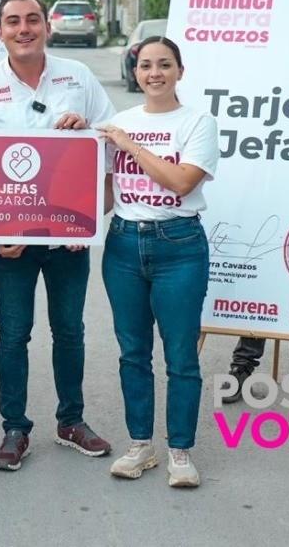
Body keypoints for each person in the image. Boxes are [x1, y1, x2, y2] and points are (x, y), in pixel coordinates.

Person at [0, 0, 115, 471]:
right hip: (13, 242)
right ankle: (14, 429)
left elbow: (113, 142)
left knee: (70, 331)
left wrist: (87, 129)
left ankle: (71, 421)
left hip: (68, 234)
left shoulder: (79, 77)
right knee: (14, 334)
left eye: (32, 19)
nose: (23, 29)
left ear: (46, 26)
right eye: (13, 21)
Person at [97, 36, 218, 488]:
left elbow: (182, 182)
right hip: (124, 244)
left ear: (180, 72)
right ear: (135, 72)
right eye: (145, 65)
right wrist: (68, 223)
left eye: (164, 65)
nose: (154, 73)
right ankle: (140, 445)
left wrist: (129, 144)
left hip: (179, 245)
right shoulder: (119, 123)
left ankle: (180, 451)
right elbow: (109, 192)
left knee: (182, 355)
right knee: (133, 352)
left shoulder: (197, 122)